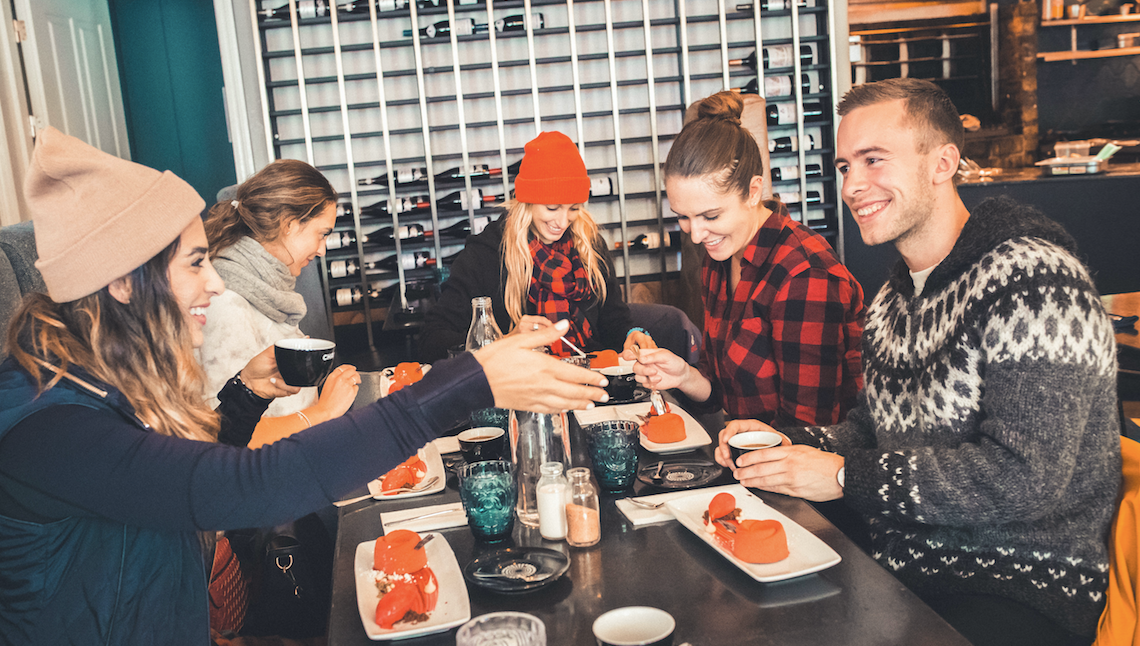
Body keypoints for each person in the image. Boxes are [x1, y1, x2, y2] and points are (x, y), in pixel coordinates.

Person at [0, 127, 608, 646]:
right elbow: (245, 489)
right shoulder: (49, 430)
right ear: (121, 280)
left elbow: (176, 484)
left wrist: (246, 395)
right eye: (196, 262)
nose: (216, 280)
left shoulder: (84, 386)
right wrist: (472, 380)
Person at [717, 78, 1121, 646]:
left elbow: (1027, 477)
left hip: (1023, 584)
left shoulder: (1037, 282)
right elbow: (870, 430)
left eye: (875, 160)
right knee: (747, 633)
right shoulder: (894, 299)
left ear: (943, 163)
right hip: (911, 559)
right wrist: (783, 441)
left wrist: (847, 477)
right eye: (846, 166)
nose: (852, 186)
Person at [633, 91, 865, 427]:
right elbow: (720, 391)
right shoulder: (721, 256)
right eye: (683, 217)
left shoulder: (804, 273)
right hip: (751, 454)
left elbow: (810, 429)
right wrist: (684, 375)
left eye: (710, 215)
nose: (696, 234)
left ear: (754, 191)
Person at [418, 130, 657, 362]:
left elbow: (613, 321)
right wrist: (506, 341)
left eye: (573, 208)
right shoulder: (483, 256)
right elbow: (432, 341)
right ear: (527, 202)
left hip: (589, 380)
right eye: (552, 208)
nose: (563, 222)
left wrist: (630, 335)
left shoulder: (589, 244)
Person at [199, 160, 359, 448]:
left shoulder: (267, 293)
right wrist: (324, 412)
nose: (322, 250)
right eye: (322, 233)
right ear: (289, 225)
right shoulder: (225, 305)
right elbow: (221, 438)